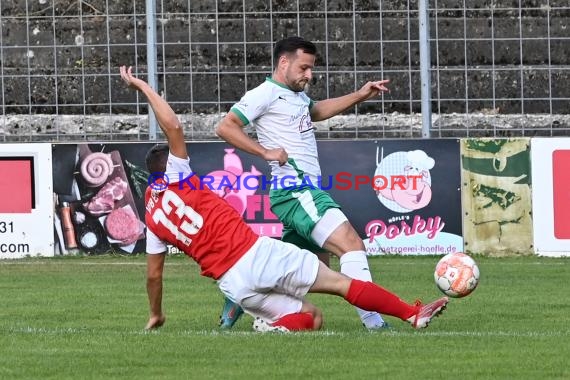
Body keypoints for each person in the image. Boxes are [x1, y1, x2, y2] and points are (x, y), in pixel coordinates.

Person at [119, 65, 449, 333]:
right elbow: (173, 125)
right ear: (171, 167)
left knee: (311, 318)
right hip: (256, 255)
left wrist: (156, 314)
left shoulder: (152, 217)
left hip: (233, 285)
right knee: (341, 283)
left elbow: (153, 276)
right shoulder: (180, 179)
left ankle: (273, 329)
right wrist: (144, 88)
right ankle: (410, 313)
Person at [215, 36, 392, 330]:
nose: (309, 75)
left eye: (311, 69)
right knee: (351, 244)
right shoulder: (264, 93)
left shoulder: (295, 95)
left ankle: (242, 295)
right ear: (284, 62)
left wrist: (359, 95)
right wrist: (264, 152)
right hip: (295, 189)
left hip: (304, 189)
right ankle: (375, 323)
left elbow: (316, 111)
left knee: (310, 271)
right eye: (304, 68)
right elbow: (225, 126)